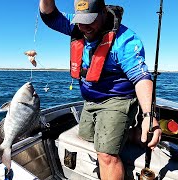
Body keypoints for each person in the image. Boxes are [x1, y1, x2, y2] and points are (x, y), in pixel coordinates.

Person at [39, 0, 162, 179]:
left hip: (117, 99)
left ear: (104, 12)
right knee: (87, 137)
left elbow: (141, 78)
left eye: (91, 20)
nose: (86, 27)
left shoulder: (125, 40)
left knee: (106, 154)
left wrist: (149, 116)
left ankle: (135, 125)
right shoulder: (77, 25)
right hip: (91, 101)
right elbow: (49, 15)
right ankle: (132, 132)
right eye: (82, 20)